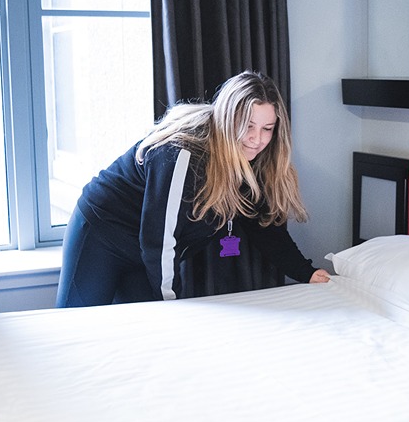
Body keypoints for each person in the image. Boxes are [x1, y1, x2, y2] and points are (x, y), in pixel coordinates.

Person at [55, 70, 331, 308]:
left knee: (143, 338)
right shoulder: (184, 152)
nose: (257, 139)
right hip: (103, 234)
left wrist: (305, 271)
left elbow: (264, 227)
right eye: (248, 126)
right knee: (78, 323)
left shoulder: (252, 161)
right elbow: (160, 239)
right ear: (227, 118)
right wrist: (174, 305)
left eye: (267, 128)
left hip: (146, 251)